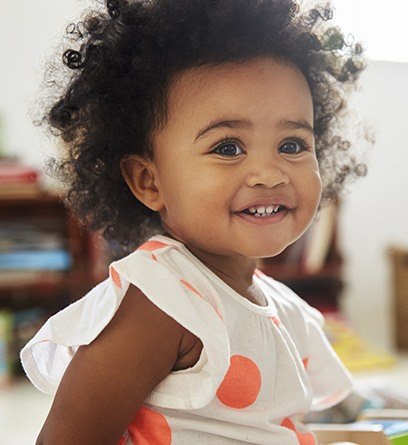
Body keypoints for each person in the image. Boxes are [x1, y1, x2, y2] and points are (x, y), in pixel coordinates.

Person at [21, 0, 368, 443]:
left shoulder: (281, 307)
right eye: (228, 147)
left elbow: (262, 431)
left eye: (293, 144)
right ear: (149, 181)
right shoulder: (159, 304)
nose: (270, 173)